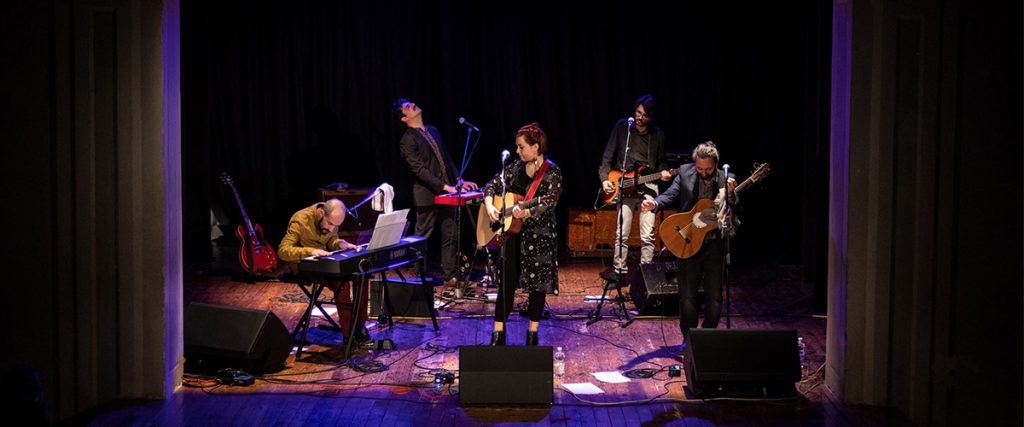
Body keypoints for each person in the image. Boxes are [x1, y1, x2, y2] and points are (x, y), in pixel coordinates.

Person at [641, 142, 737, 346]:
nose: (704, 172)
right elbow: (671, 194)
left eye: (708, 169)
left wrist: (731, 194)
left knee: (715, 296)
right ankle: (690, 340)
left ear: (716, 163)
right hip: (688, 242)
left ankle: (707, 339)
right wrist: (655, 203)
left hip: (714, 243)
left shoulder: (725, 178)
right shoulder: (685, 172)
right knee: (686, 296)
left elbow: (736, 206)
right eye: (700, 168)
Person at [483, 123, 562, 346]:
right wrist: (489, 204)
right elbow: (492, 185)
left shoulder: (552, 172)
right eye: (517, 147)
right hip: (513, 234)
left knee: (537, 285)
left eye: (521, 147)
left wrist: (527, 212)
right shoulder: (515, 168)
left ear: (535, 147)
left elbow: (549, 202)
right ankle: (498, 333)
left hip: (540, 235)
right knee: (506, 283)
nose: (517, 151)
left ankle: (532, 333)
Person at [393, 98, 478, 288]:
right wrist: (444, 187)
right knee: (422, 237)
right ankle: (417, 278)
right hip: (427, 194)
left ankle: (450, 276)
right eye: (407, 107)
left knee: (450, 233)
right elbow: (419, 170)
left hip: (447, 192)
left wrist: (458, 180)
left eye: (410, 103)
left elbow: (445, 158)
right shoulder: (408, 139)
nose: (412, 105)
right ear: (404, 118)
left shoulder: (432, 130)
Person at [598, 94, 672, 278]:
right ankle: (619, 271)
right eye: (638, 112)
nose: (640, 117)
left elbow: (661, 161)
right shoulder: (623, 127)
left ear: (651, 117)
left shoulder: (657, 134)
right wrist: (605, 179)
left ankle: (646, 275)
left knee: (647, 235)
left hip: (648, 185)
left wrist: (664, 172)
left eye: (644, 115)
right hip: (625, 184)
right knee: (622, 233)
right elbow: (607, 157)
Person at [277, 198, 369, 344]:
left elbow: (331, 240)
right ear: (321, 213)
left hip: (324, 263)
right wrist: (311, 251)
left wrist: (339, 243)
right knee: (341, 283)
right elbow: (283, 251)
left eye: (336, 226)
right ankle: (348, 336)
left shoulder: (332, 220)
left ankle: (359, 326)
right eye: (330, 224)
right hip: (304, 266)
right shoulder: (300, 220)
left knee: (362, 275)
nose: (332, 229)